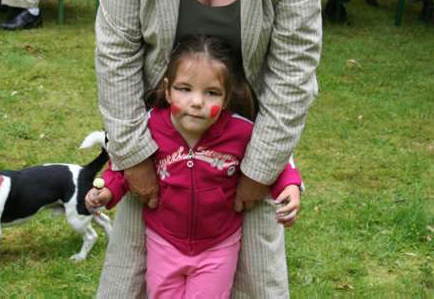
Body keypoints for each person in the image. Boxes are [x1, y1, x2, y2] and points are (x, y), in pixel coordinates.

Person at [95, 0, 321, 298]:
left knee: (258, 285)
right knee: (129, 283)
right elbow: (115, 54)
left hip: (248, 139)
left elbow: (295, 70)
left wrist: (259, 171)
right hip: (155, 137)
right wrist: (133, 156)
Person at [87, 34, 303, 298]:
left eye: (211, 92)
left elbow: (272, 158)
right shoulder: (150, 127)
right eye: (185, 89)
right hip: (163, 243)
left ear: (226, 99)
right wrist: (107, 191)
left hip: (218, 248)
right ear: (167, 90)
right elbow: (123, 167)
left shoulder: (241, 132)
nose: (197, 102)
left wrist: (289, 186)